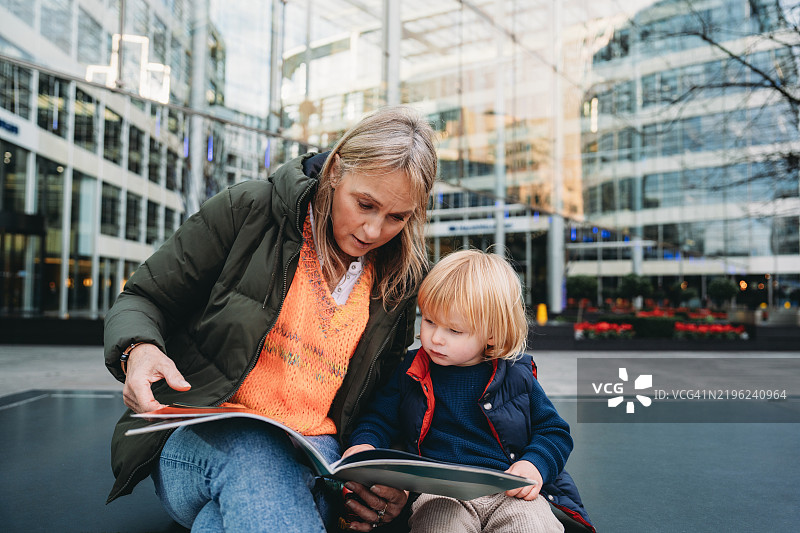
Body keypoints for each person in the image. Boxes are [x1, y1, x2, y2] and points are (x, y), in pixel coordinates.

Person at [103, 105, 438, 533]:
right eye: (365, 204)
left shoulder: (399, 280)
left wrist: (385, 476)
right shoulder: (249, 210)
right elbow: (144, 297)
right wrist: (139, 348)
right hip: (198, 443)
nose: (374, 231)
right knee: (253, 450)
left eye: (397, 217)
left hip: (316, 459)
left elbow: (382, 396)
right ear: (335, 169)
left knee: (222, 522)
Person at [343, 249, 574, 533]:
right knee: (438, 526)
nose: (436, 338)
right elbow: (379, 419)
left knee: (534, 526)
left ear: (491, 333)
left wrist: (534, 465)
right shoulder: (411, 370)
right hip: (440, 494)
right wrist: (364, 446)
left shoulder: (516, 375)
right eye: (429, 321)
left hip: (510, 491)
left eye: (454, 330)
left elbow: (553, 431)